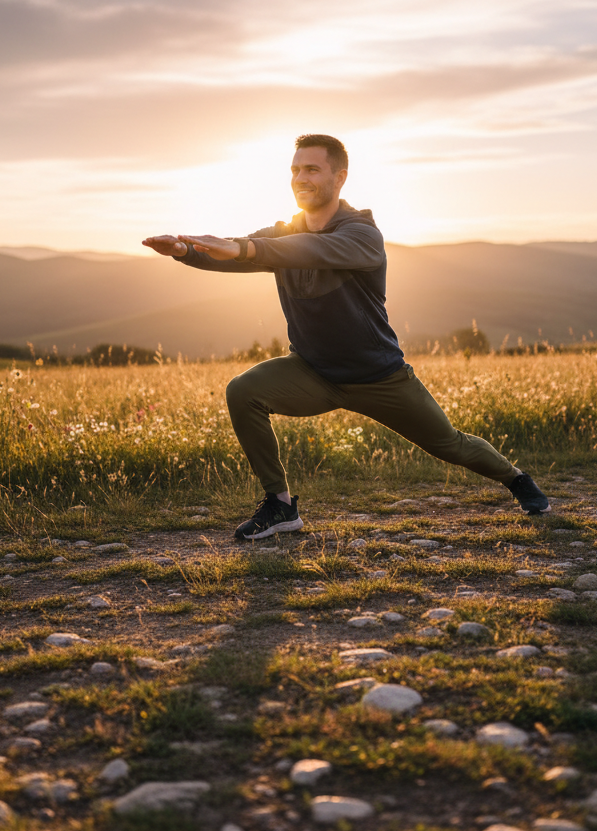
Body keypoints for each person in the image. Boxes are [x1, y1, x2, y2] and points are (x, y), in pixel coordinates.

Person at [143, 134, 549, 540]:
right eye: (295, 170)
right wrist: (185, 251)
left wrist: (247, 247)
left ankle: (516, 480)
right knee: (243, 390)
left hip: (380, 377)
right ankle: (281, 506)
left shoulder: (362, 235)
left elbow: (305, 251)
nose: (300, 178)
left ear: (340, 178)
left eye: (312, 169)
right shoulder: (283, 232)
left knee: (451, 444)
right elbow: (238, 255)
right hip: (314, 373)